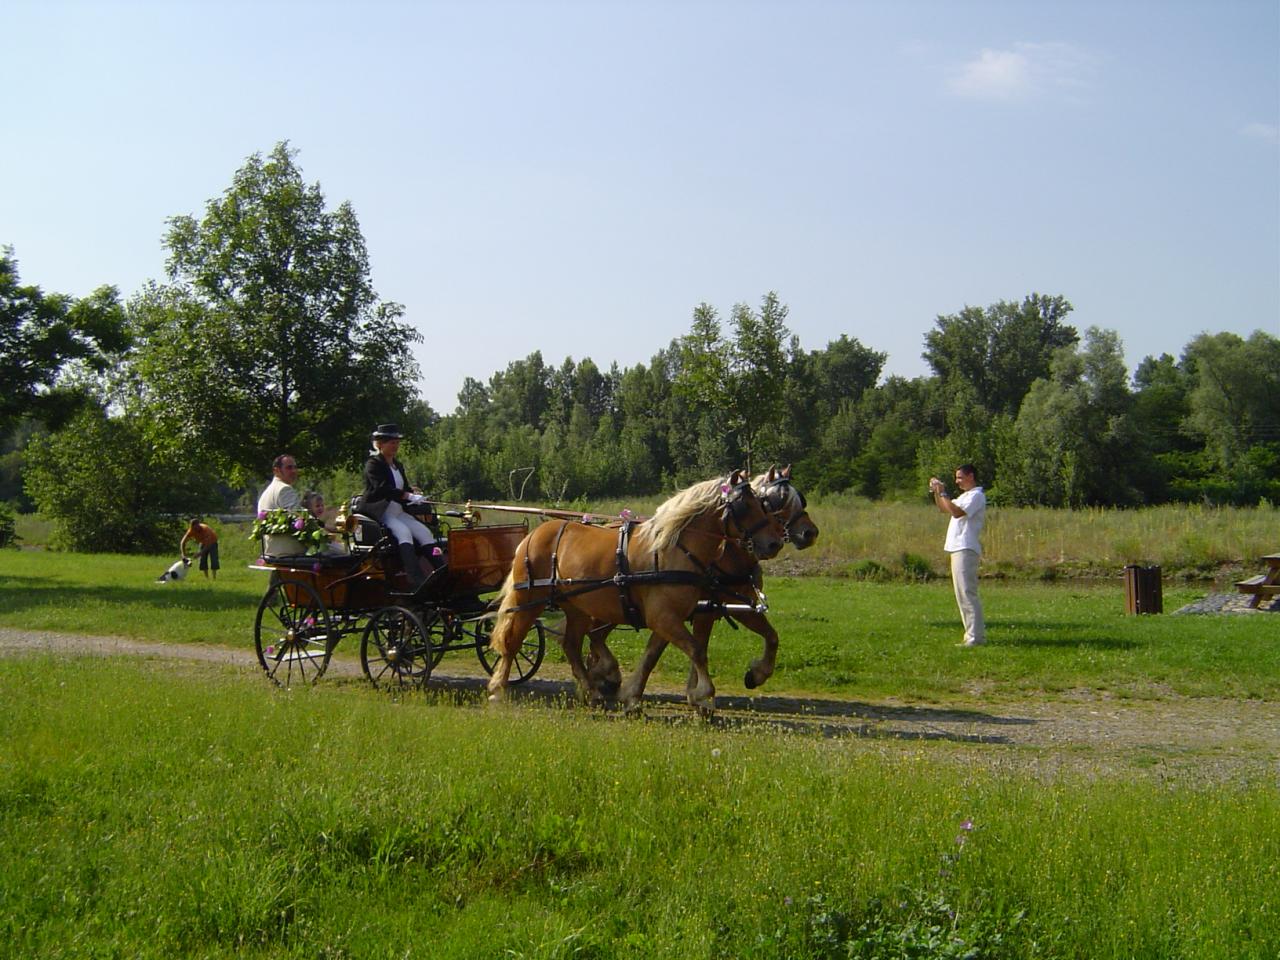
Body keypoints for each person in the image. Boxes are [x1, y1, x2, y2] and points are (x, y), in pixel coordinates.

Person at [360, 423, 445, 593]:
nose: (395, 445)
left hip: (399, 511)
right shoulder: (373, 464)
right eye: (391, 442)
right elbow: (382, 488)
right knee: (403, 532)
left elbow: (404, 488)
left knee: (424, 533)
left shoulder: (397, 465)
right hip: (383, 513)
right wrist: (407, 496)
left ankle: (442, 570)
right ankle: (415, 578)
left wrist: (415, 497)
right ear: (380, 444)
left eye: (396, 442)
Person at [929, 464, 987, 647]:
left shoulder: (976, 496)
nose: (957, 481)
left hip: (966, 547)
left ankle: (975, 637)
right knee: (961, 594)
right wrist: (937, 492)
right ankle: (971, 635)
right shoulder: (965, 496)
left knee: (967, 593)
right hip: (957, 548)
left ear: (971, 476)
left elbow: (956, 512)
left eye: (960, 478)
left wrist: (944, 493)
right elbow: (944, 509)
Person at [257, 454, 305, 556]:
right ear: (276, 471)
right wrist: (323, 530)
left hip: (271, 550)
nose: (294, 471)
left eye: (295, 467)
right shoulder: (285, 489)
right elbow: (299, 518)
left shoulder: (266, 493)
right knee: (341, 552)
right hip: (291, 549)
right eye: (289, 468)